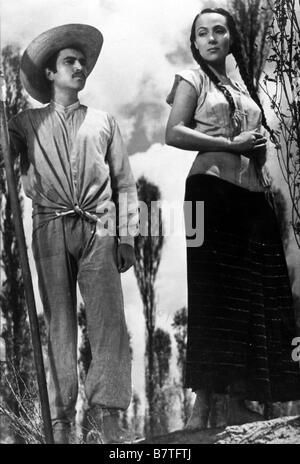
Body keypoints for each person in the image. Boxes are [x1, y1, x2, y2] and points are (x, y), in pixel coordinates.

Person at [166, 8, 300, 429]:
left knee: (254, 295)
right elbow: (173, 132)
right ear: (195, 42)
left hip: (252, 197)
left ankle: (241, 398)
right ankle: (203, 404)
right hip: (207, 193)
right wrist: (231, 142)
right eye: (201, 33)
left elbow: (252, 144)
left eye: (218, 31)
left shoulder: (242, 87)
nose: (210, 39)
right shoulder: (192, 79)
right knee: (211, 291)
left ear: (230, 38)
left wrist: (255, 150)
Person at [8, 24, 138, 444]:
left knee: (108, 324)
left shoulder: (104, 121)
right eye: (69, 61)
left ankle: (110, 422)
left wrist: (127, 236)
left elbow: (125, 183)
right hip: (48, 226)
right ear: (50, 73)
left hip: (99, 226)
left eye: (82, 61)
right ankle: (61, 424)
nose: (79, 66)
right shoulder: (25, 122)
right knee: (60, 325)